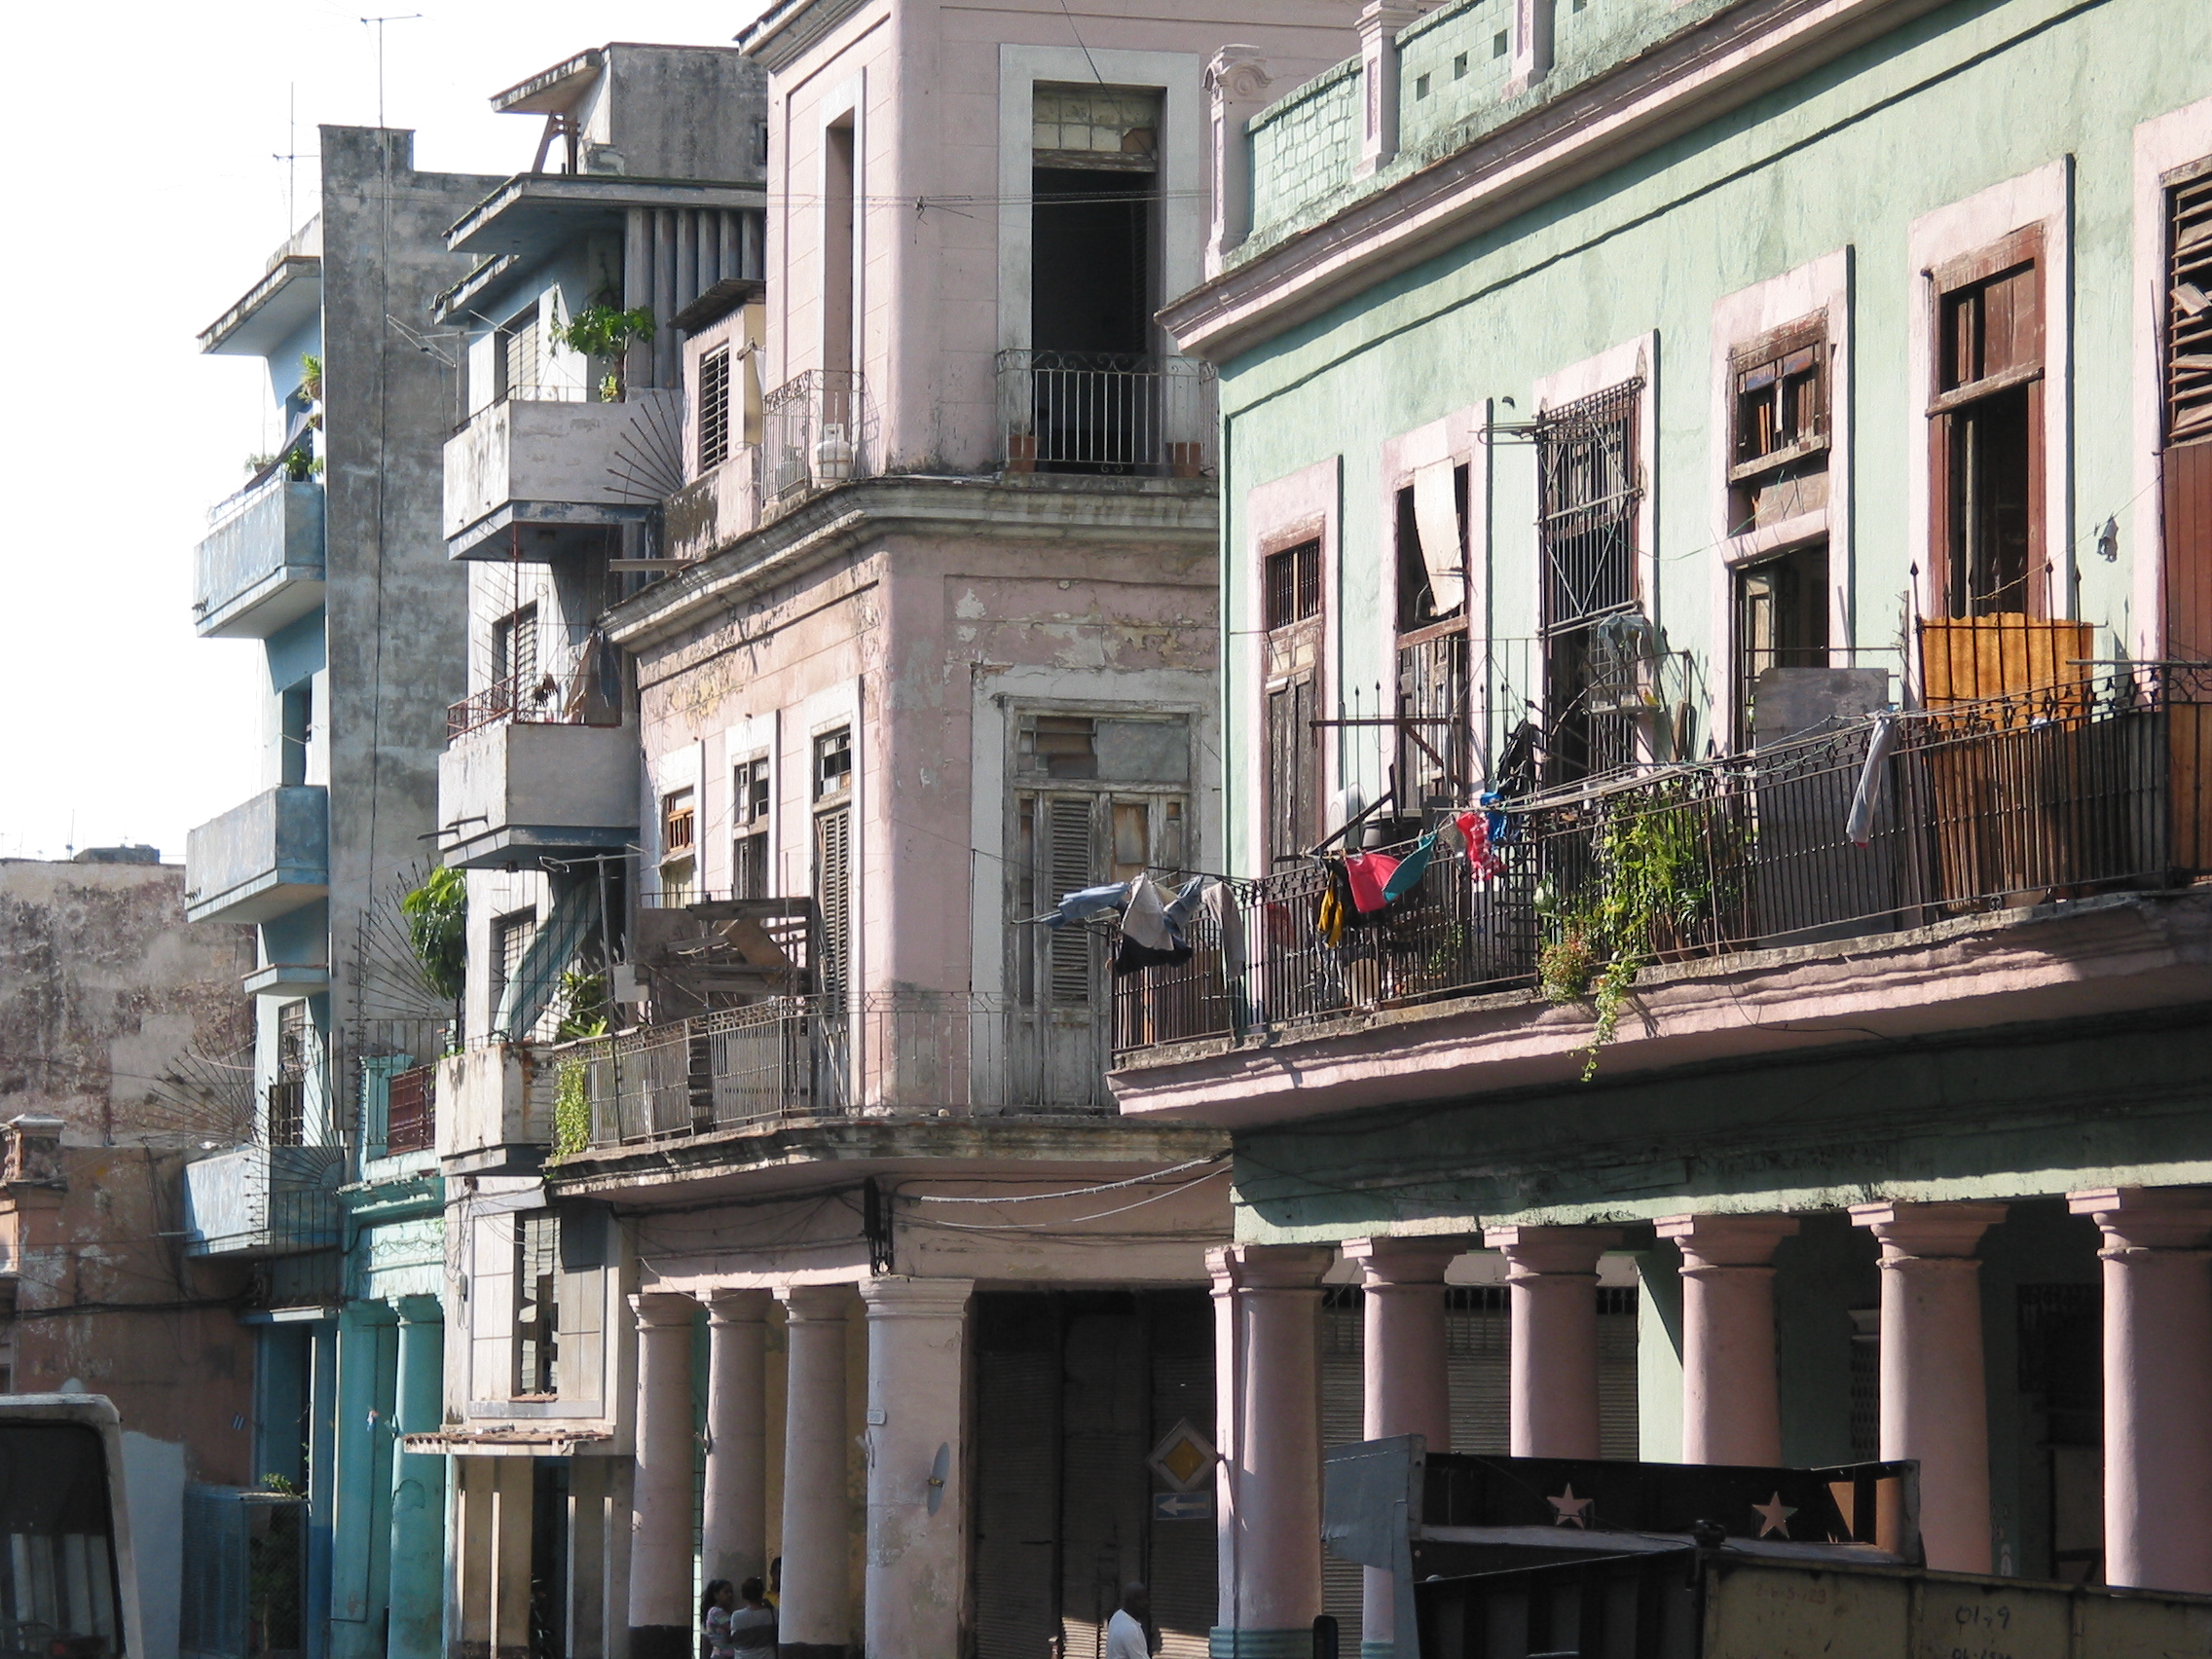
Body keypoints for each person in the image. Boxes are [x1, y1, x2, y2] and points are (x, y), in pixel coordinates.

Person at [726, 1577, 776, 1654]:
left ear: (744, 1594)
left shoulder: (737, 1616)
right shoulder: (773, 1613)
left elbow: (734, 1639)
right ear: (762, 1592)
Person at [1105, 1582, 1151, 1659]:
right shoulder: (1131, 1629)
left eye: (1146, 1598)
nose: (1145, 1603)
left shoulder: (1118, 1615)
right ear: (1129, 1601)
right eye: (1139, 1599)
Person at [700, 1580, 736, 1659]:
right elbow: (733, 1627)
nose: (730, 1595)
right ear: (716, 1595)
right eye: (726, 1592)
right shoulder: (716, 1612)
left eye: (731, 1592)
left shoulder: (724, 1612)